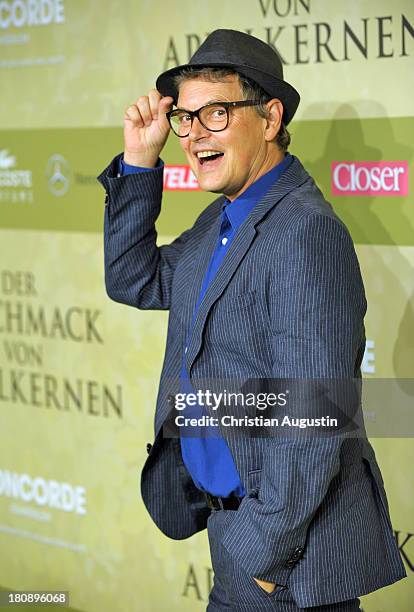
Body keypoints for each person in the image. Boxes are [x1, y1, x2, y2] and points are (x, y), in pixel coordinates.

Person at [98, 29, 406, 612]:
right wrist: (140, 162)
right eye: (185, 118)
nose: (193, 135)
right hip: (239, 539)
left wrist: (261, 554)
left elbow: (314, 412)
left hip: (286, 567)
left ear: (269, 118)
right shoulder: (225, 216)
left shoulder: (303, 231)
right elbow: (133, 278)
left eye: (215, 112)